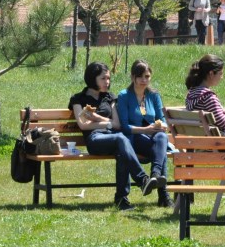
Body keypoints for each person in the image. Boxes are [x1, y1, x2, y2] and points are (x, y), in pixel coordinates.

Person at [70, 61, 155, 211]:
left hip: (113, 137)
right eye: (103, 78)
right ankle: (142, 180)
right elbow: (83, 124)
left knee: (122, 150)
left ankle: (121, 199)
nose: (107, 82)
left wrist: (96, 118)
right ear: (92, 78)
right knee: (121, 139)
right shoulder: (78, 99)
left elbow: (117, 124)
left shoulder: (110, 97)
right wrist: (106, 123)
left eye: (108, 78)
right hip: (95, 140)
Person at [184, 54, 225, 216]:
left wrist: (224, 114)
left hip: (200, 145)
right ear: (211, 74)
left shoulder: (191, 94)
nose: (222, 77)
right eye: (220, 73)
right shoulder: (208, 96)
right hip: (219, 146)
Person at [115, 60, 173, 207]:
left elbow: (161, 118)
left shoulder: (153, 95)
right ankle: (163, 195)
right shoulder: (124, 96)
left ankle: (154, 175)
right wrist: (145, 130)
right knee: (161, 151)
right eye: (140, 76)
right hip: (133, 140)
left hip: (151, 139)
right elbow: (124, 126)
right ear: (133, 77)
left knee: (161, 137)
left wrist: (163, 126)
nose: (144, 80)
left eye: (147, 76)